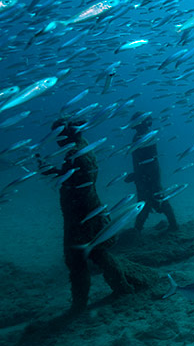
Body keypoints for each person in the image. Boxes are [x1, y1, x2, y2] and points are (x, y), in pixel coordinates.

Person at [39, 118, 148, 311]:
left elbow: (79, 183)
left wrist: (58, 177)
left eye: (57, 135)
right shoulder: (84, 146)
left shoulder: (75, 153)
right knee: (98, 253)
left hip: (80, 216)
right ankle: (122, 288)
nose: (55, 141)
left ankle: (80, 304)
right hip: (92, 210)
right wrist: (55, 172)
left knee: (76, 260)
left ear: (67, 134)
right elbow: (76, 177)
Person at [125, 113, 178, 232]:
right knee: (148, 200)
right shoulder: (142, 135)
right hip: (146, 176)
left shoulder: (144, 137)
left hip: (148, 177)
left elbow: (149, 161)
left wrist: (138, 176)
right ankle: (138, 229)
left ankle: (173, 226)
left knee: (153, 200)